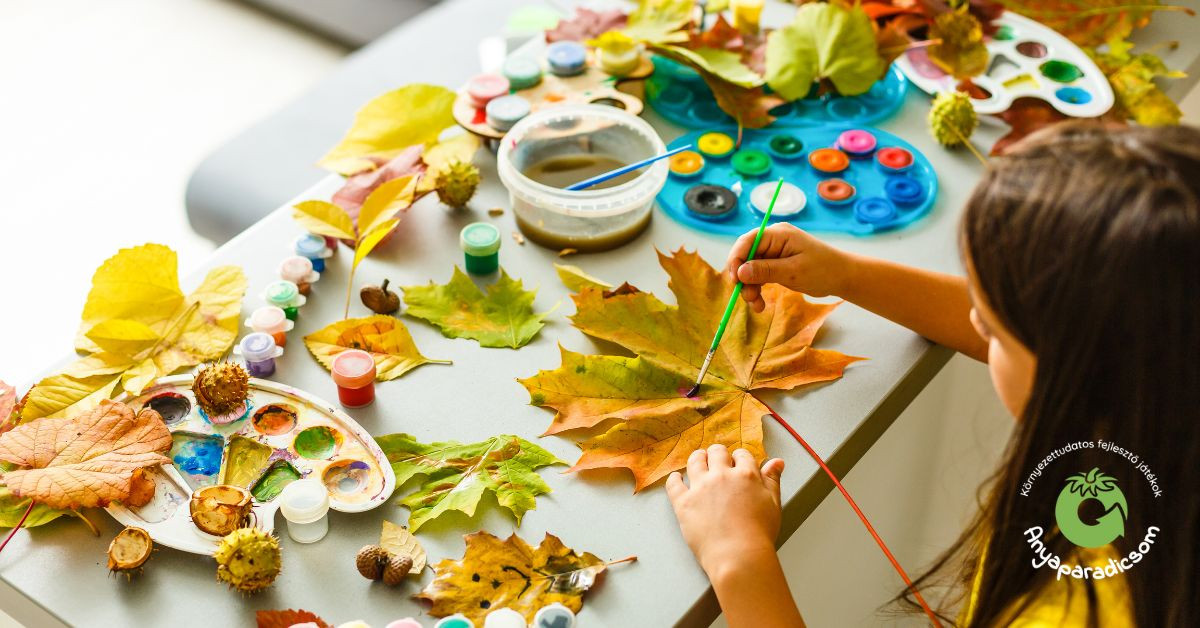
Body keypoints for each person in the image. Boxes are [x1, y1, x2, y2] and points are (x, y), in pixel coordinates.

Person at [666, 122, 1199, 627]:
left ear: (1087, 366)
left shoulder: (1085, 604)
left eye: (990, 326)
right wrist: (845, 274)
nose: (971, 319)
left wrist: (739, 560)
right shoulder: (1162, 388)